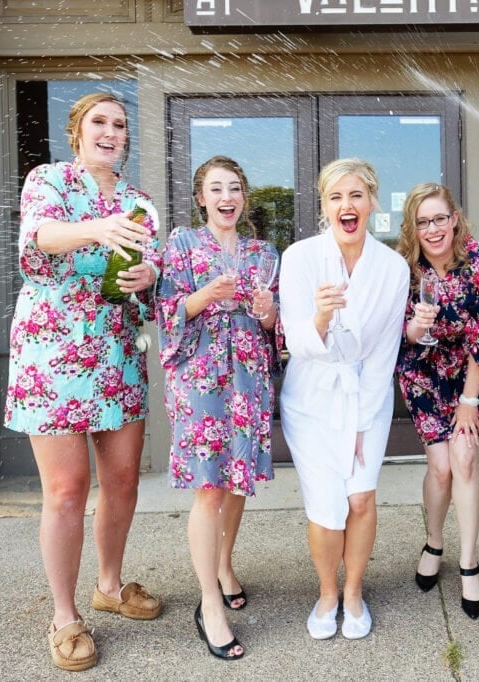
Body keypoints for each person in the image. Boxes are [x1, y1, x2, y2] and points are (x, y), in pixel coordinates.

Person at [4, 92, 163, 672]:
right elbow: (41, 238)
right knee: (68, 488)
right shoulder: (48, 180)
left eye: (120, 125)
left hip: (117, 349)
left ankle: (111, 586)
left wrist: (149, 274)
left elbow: (147, 273)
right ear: (78, 131)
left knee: (123, 480)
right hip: (52, 350)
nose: (111, 132)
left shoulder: (139, 200)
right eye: (99, 122)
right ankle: (66, 615)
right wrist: (98, 228)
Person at [278, 158, 409, 640]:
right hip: (312, 397)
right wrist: (318, 319)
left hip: (366, 396)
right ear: (324, 206)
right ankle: (326, 592)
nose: (346, 205)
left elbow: (383, 352)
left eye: (355, 195)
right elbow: (295, 337)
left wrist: (360, 423)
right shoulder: (299, 257)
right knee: (325, 503)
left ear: (372, 202)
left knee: (361, 496)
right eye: (335, 197)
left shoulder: (393, 267)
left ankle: (353, 590)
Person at [156, 155, 280, 661]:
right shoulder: (182, 244)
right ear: (201, 197)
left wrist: (270, 312)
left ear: (243, 198)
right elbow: (164, 311)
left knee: (236, 479)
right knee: (209, 487)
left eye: (234, 188)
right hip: (200, 375)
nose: (226, 197)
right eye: (216, 189)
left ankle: (225, 565)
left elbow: (276, 324)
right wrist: (206, 294)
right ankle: (209, 602)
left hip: (248, 375)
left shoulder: (264, 251)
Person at [394, 183, 479, 619]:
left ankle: (469, 563)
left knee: (465, 459)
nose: (433, 229)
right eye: (423, 222)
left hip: (468, 373)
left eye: (440, 218)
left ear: (454, 218)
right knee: (439, 468)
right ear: (413, 228)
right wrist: (417, 328)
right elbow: (400, 335)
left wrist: (470, 400)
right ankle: (434, 541)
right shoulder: (406, 269)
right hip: (422, 375)